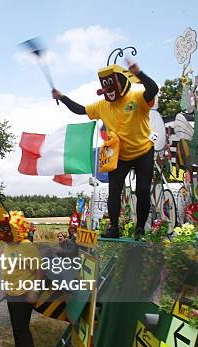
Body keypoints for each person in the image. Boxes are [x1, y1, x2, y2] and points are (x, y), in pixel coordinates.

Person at [52, 58, 158, 240]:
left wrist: (138, 72)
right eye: (105, 84)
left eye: (111, 83)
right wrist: (62, 97)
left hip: (143, 151)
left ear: (122, 81)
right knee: (114, 192)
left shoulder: (137, 97)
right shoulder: (102, 105)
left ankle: (140, 228)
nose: (108, 89)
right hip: (119, 155)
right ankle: (114, 227)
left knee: (142, 190)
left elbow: (153, 89)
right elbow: (80, 109)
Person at [1, 211, 41, 347]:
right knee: (16, 328)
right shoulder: (9, 245)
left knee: (22, 330)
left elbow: (40, 270)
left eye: (8, 230)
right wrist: (5, 286)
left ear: (17, 229)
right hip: (11, 292)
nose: (4, 234)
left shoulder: (27, 246)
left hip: (23, 294)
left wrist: (34, 290)